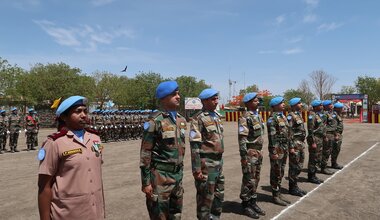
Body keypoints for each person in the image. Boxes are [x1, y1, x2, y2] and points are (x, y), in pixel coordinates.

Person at [37, 96, 105, 220]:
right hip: (68, 213)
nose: (83, 115)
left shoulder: (95, 138)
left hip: (94, 212)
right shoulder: (54, 143)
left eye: (85, 111)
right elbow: (44, 186)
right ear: (64, 117)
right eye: (77, 111)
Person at [140, 81, 187, 220]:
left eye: (178, 93)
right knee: (160, 216)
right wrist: (146, 182)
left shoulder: (181, 120)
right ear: (164, 98)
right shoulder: (155, 121)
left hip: (177, 176)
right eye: (174, 94)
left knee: (176, 214)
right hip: (160, 178)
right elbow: (145, 153)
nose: (178, 97)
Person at [189, 88, 225, 220]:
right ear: (204, 101)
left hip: (218, 162)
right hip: (206, 164)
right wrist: (197, 168)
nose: (216, 101)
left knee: (218, 195)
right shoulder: (198, 118)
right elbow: (195, 146)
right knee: (205, 198)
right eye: (213, 99)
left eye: (217, 98)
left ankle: (215, 217)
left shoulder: (216, 116)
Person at [237, 93, 266, 218]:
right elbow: (242, 139)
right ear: (248, 102)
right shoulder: (245, 118)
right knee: (249, 179)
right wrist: (244, 157)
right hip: (250, 153)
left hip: (258, 152)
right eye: (255, 100)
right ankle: (245, 204)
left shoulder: (257, 116)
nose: (258, 102)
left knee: (256, 178)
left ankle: (253, 201)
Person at [267, 97, 292, 206]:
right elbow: (272, 137)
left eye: (283, 102)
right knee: (276, 172)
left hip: (284, 147)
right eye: (281, 103)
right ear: (275, 105)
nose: (283, 104)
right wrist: (273, 152)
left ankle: (278, 191)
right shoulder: (272, 118)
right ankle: (275, 195)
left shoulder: (283, 117)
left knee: (281, 171)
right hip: (277, 148)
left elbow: (288, 133)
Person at [287, 98, 307, 197]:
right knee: (294, 167)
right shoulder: (291, 116)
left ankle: (295, 185)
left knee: (299, 166)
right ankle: (292, 188)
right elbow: (289, 132)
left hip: (300, 144)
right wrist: (291, 147)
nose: (301, 104)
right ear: (294, 104)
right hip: (294, 144)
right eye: (299, 103)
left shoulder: (298, 115)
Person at [307, 100, 326, 184]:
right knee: (313, 159)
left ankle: (314, 175)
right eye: (320, 105)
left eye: (322, 105)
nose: (322, 106)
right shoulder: (312, 116)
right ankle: (311, 176)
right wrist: (312, 142)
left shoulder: (317, 115)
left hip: (319, 139)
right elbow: (310, 130)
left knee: (317, 158)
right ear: (315, 106)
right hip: (315, 139)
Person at [320, 100, 336, 175]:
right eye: (330, 104)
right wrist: (324, 135)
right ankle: (323, 167)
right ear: (326, 106)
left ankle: (324, 166)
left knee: (329, 151)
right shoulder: (324, 114)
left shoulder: (330, 113)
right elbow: (322, 126)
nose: (331, 105)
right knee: (326, 152)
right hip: (328, 134)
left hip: (332, 134)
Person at [331, 102, 344, 169]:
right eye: (341, 108)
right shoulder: (334, 115)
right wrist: (336, 135)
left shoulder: (338, 115)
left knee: (337, 149)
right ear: (337, 108)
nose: (342, 109)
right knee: (335, 149)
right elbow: (334, 126)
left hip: (339, 134)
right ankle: (333, 163)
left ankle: (334, 162)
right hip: (336, 135)